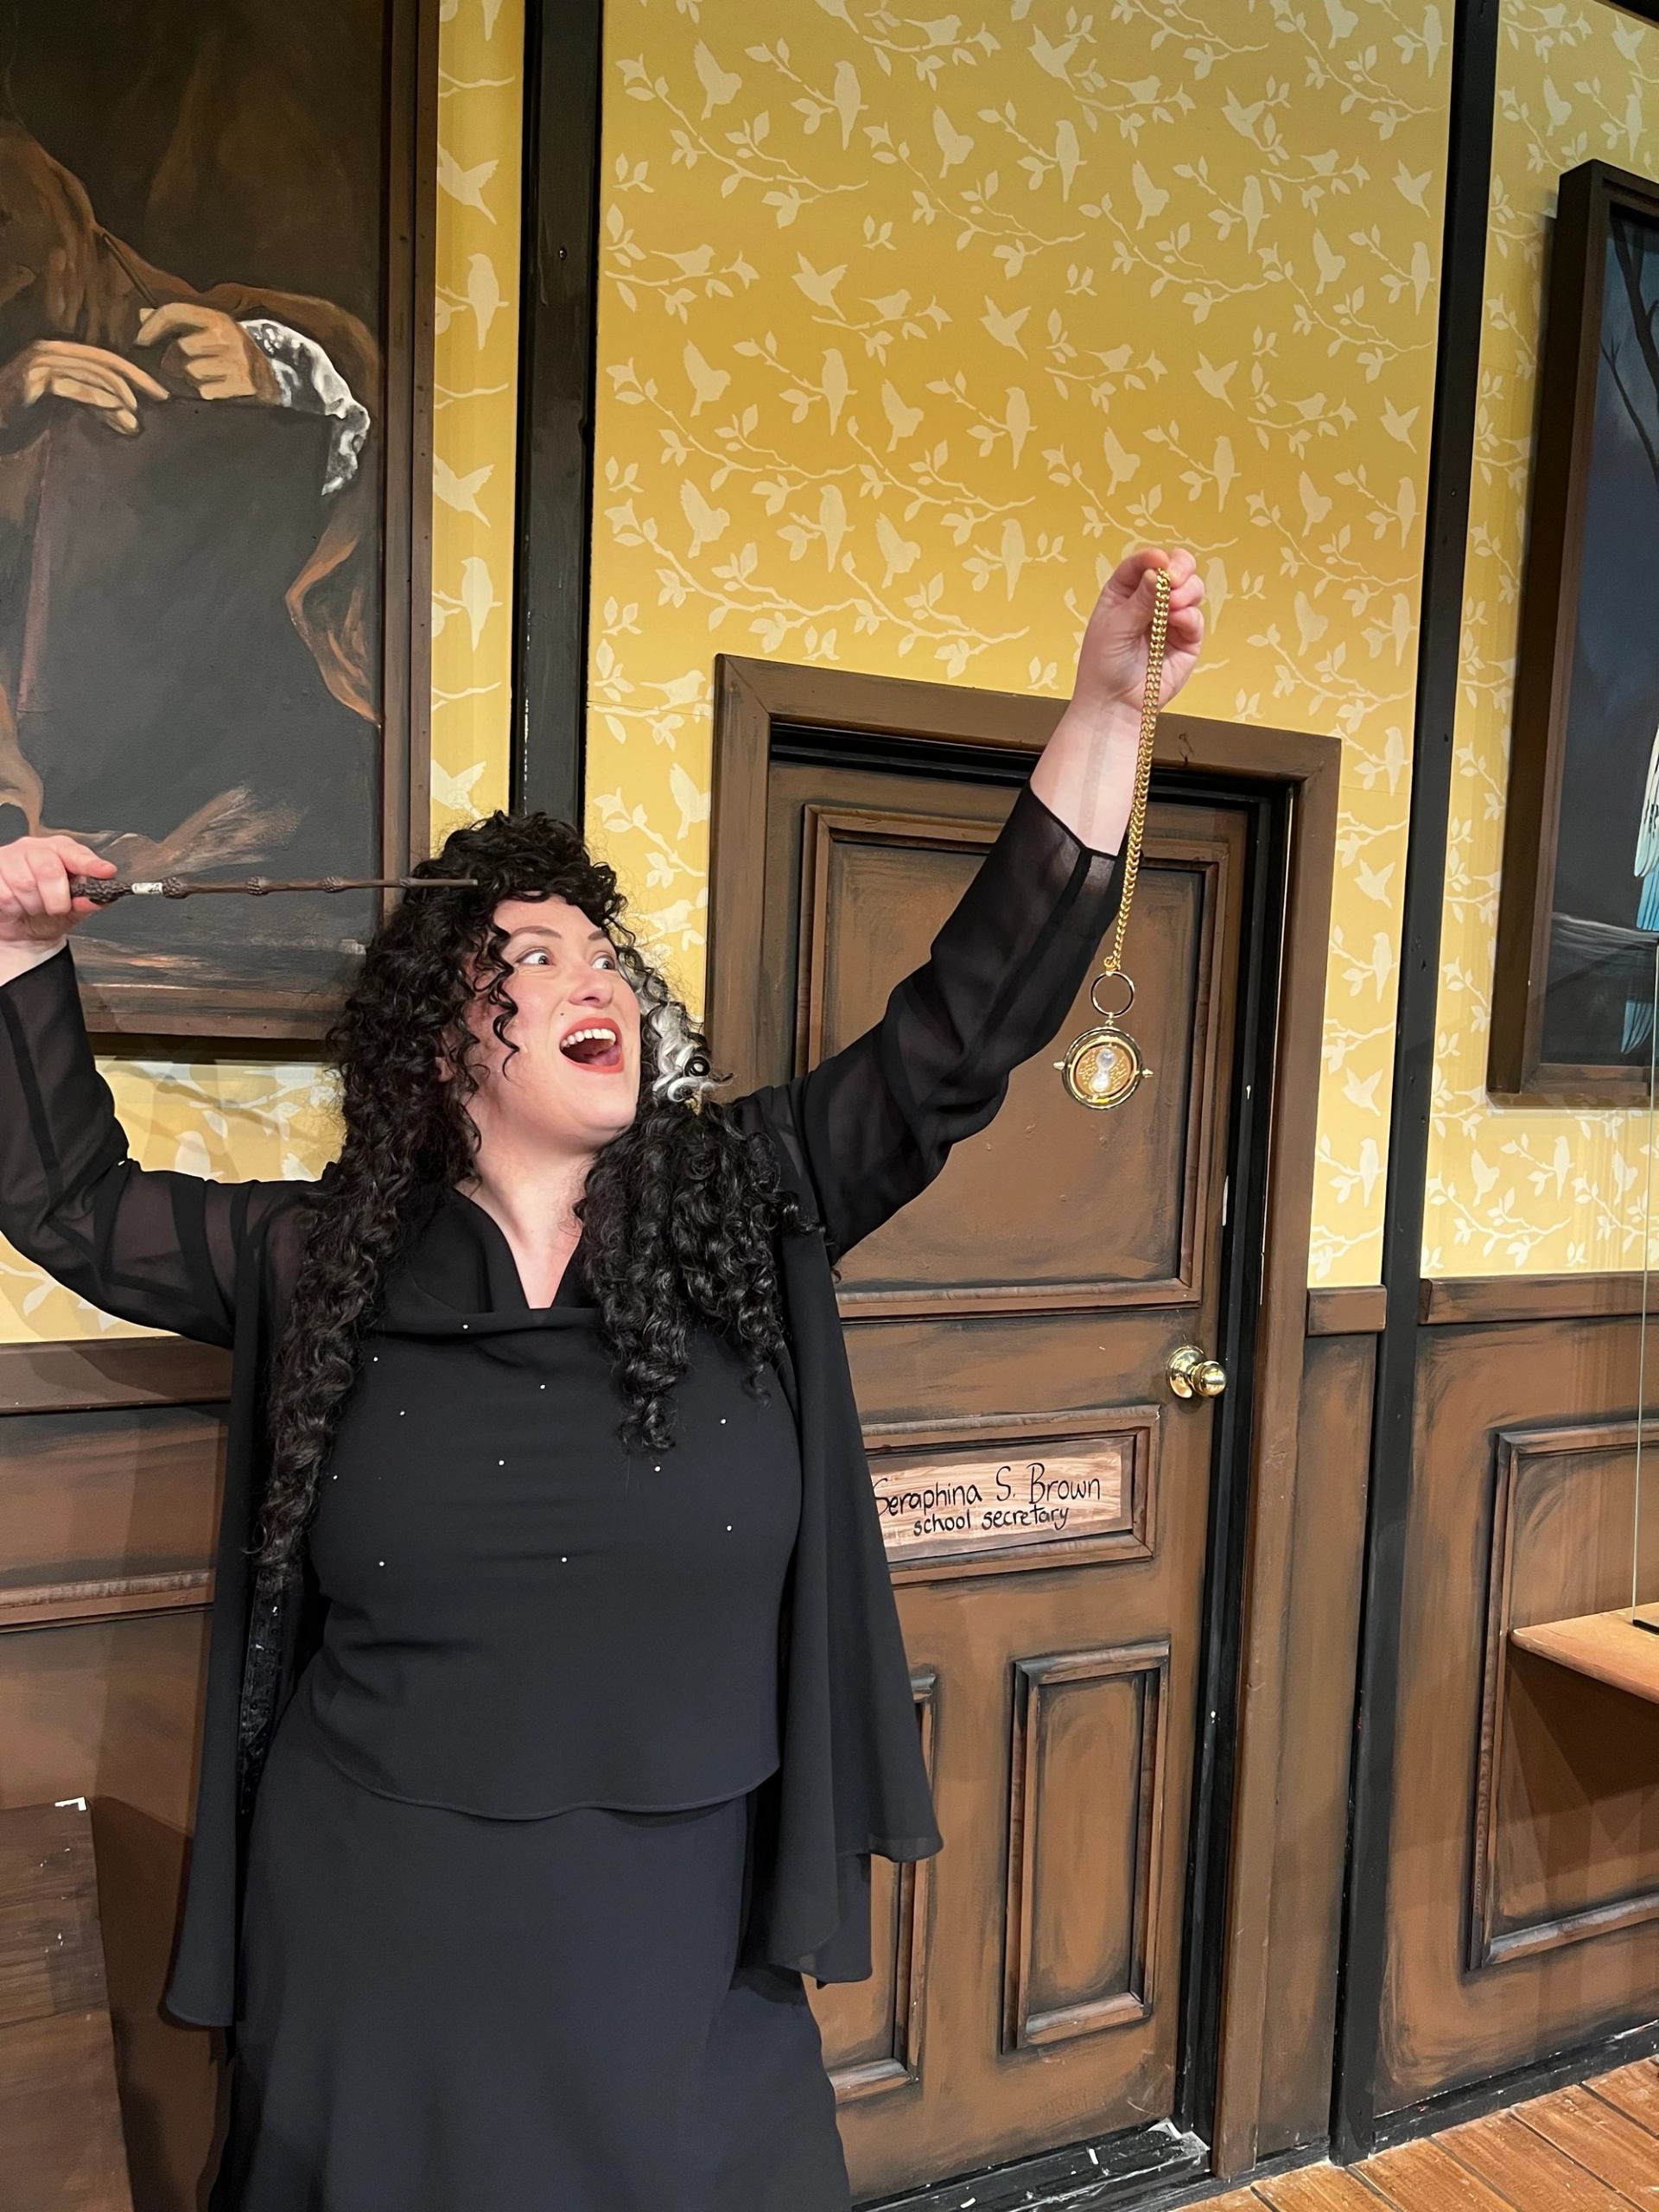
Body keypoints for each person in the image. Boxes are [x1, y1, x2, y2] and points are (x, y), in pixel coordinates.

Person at [0, 544, 1205, 2212]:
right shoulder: (319, 1262)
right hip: (377, 1930)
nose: (601, 985)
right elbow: (70, 1204)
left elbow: (956, 1038)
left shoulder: (744, 1207)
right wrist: (11, 950)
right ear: (445, 1039)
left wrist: (1099, 717)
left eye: (609, 960)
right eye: (543, 959)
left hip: (682, 1940)